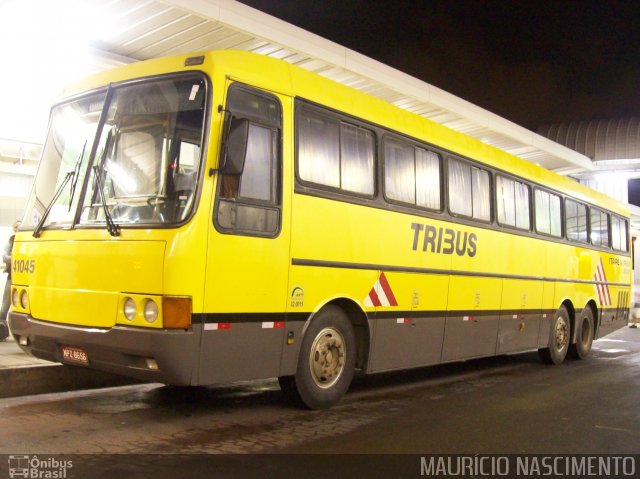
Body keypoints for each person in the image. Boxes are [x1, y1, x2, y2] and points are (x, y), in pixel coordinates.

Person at [0, 221, 20, 340]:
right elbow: (5, 257)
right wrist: (16, 257)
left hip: (24, 279)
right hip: (11, 277)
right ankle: (1, 331)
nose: (19, 229)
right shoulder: (11, 241)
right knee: (5, 306)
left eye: (20, 226)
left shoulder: (28, 240)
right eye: (17, 227)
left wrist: (13, 257)